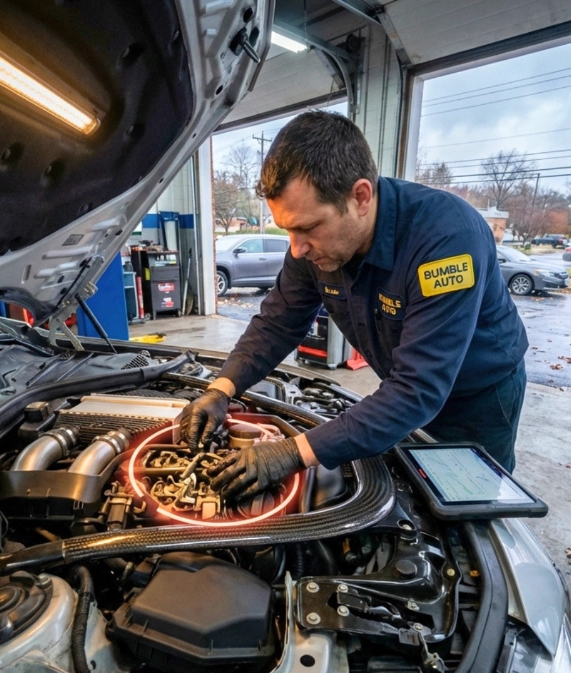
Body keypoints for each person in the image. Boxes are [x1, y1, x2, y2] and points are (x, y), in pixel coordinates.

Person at [181, 111, 529, 504]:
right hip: (402, 386)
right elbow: (277, 322)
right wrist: (221, 389)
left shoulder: (446, 238)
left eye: (308, 228)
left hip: (476, 399)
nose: (296, 248)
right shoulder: (310, 247)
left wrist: (293, 452)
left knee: (471, 508)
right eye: (288, 231)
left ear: (360, 196)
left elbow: (418, 389)